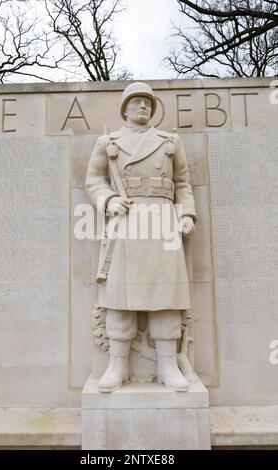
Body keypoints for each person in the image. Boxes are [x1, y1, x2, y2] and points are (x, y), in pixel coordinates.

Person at [85, 82, 196, 393]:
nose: (143, 107)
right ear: (125, 109)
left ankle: (167, 365)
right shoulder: (108, 142)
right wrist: (108, 200)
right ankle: (117, 365)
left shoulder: (170, 141)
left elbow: (183, 183)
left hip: (162, 223)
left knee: (166, 298)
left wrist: (186, 214)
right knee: (120, 297)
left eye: (147, 102)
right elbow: (93, 180)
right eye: (135, 102)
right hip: (127, 221)